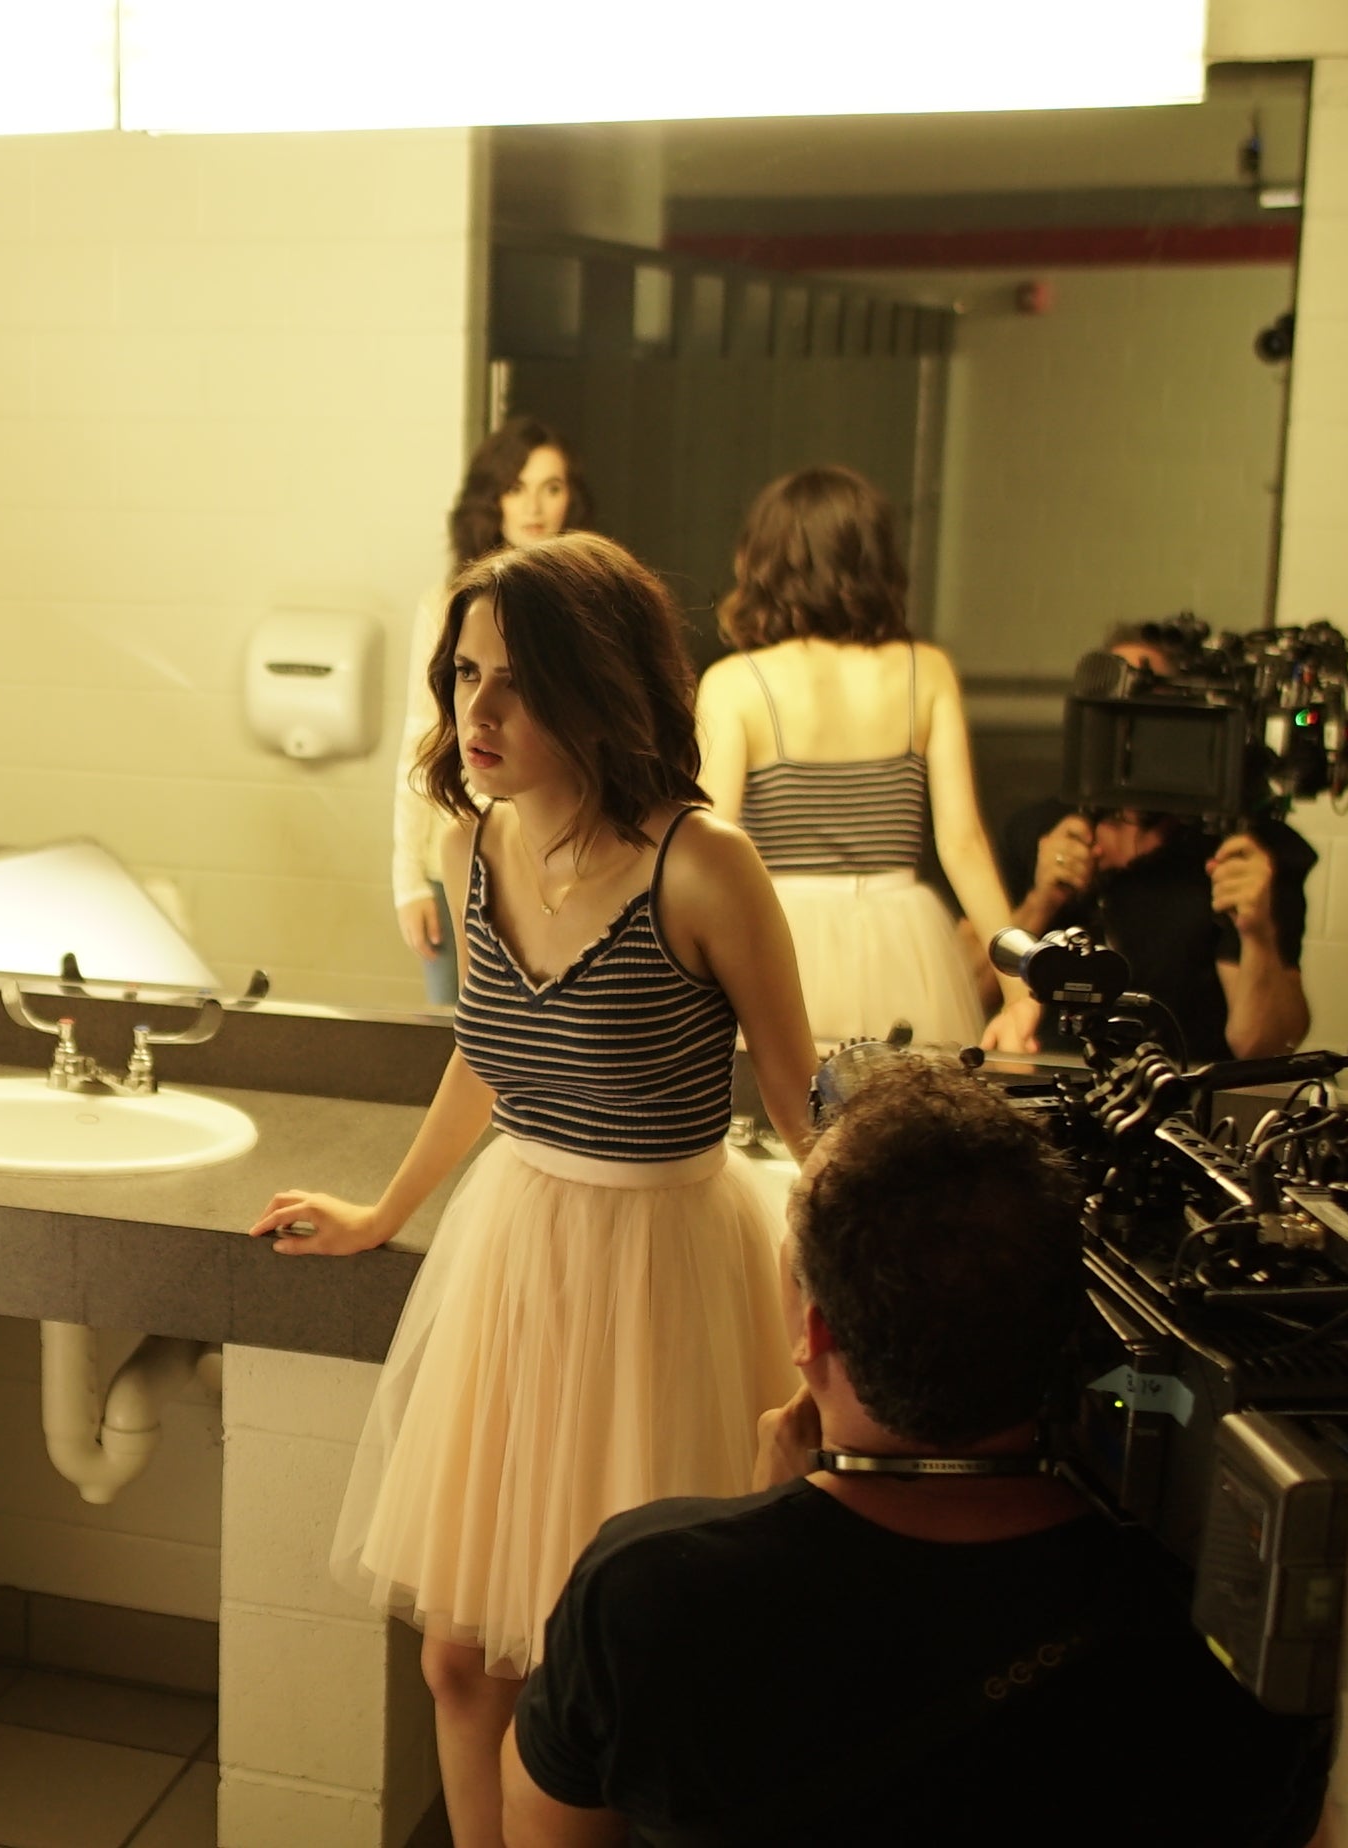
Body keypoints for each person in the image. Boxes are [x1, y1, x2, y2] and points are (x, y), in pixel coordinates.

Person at [257, 533, 817, 1848]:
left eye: (516, 681)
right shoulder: (475, 845)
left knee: (609, 1675)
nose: (479, 710)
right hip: (515, 1257)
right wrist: (384, 1213)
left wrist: (833, 1330)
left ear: (600, 686)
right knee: (460, 1661)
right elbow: (488, 1053)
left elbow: (805, 1114)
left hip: (659, 1280)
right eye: (465, 676)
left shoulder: (702, 865)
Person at [506, 1059, 1332, 1847]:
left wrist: (761, 1528)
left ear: (815, 1330)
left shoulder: (646, 1591)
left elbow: (541, 1831)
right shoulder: (1229, 1640)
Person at [696, 466, 1020, 1046]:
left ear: (765, 560)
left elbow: (711, 849)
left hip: (783, 937)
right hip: (906, 941)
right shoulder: (927, 670)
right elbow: (963, 844)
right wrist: (1022, 991)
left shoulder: (736, 683)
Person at [985, 626, 1315, 1061]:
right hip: (1050, 1083)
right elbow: (972, 988)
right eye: (1112, 709)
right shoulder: (1037, 831)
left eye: (1148, 707)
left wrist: (1257, 932)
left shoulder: (1245, 851)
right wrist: (1040, 901)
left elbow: (1261, 1044)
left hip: (1183, 1090)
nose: (1128, 730)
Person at [395, 419, 594, 1007]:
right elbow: (422, 738)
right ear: (492, 499)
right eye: (515, 487)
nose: (534, 506)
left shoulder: (590, 606)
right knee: (463, 1026)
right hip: (458, 847)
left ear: (571, 499)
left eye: (551, 487)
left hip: (563, 853)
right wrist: (407, 880)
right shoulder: (447, 606)